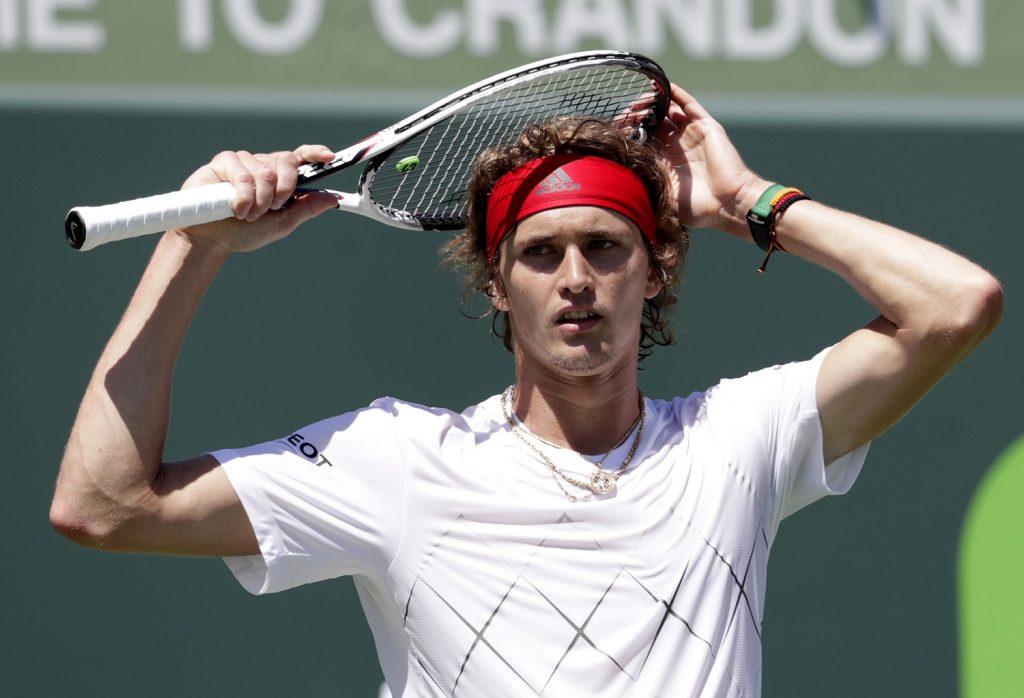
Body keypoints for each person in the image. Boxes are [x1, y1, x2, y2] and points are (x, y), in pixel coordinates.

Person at [50, 84, 1002, 696]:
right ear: (499, 286)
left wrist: (745, 202)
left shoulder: (737, 442)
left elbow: (957, 304)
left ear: (655, 268)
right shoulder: (398, 461)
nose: (577, 278)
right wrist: (193, 245)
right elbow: (102, 505)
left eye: (607, 246)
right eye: (542, 254)